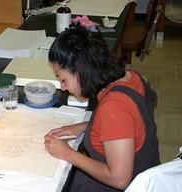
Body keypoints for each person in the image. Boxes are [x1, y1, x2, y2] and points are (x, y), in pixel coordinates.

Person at [44, 22, 160, 192]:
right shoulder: (130, 76)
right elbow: (130, 125)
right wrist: (86, 127)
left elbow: (120, 179)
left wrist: (68, 154)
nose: (63, 87)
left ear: (81, 71)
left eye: (63, 79)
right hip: (146, 177)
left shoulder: (114, 107)